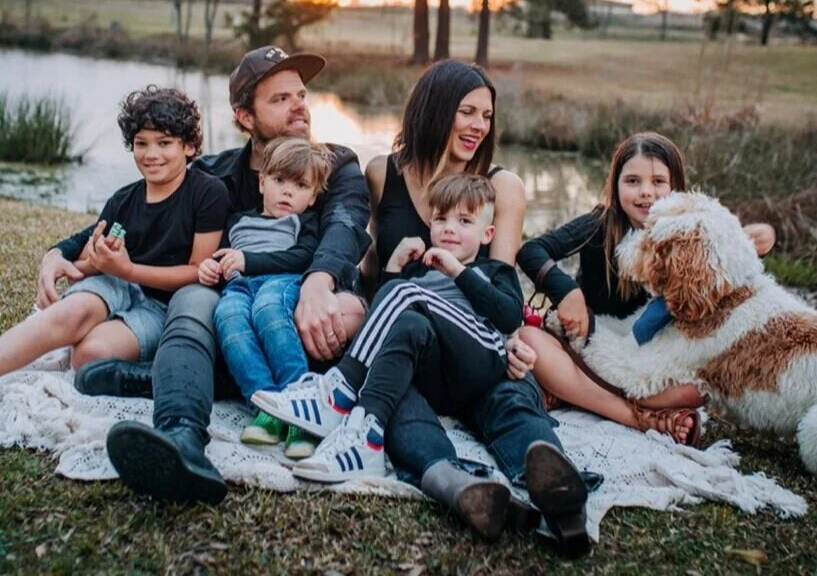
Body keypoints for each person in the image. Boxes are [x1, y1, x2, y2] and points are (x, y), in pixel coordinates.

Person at [45, 46, 371, 505]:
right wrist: (59, 252)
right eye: (280, 99)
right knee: (194, 298)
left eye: (300, 95)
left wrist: (319, 280)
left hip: (304, 294)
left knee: (330, 315)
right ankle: (181, 436)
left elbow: (345, 226)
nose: (299, 106)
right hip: (230, 300)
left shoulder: (336, 162)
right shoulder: (213, 173)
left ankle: (155, 379)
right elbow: (132, 212)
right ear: (244, 117)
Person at [357, 60, 591, 556]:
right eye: (467, 111)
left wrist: (514, 343)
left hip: (477, 343)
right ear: (435, 108)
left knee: (511, 396)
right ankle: (459, 487)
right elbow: (372, 271)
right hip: (415, 345)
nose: (479, 126)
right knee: (395, 392)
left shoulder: (501, 186)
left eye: (486, 115)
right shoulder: (381, 174)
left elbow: (502, 285)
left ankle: (559, 493)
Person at [253, 174, 523, 485]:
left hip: (483, 356)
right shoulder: (419, 271)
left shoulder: (493, 271)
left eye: (464, 221)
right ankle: (366, 437)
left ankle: (340, 392)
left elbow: (509, 317)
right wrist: (394, 267)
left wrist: (458, 271)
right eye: (441, 219)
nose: (450, 228)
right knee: (408, 321)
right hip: (440, 377)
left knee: (405, 294)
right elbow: (385, 321)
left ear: (488, 234)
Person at [516, 131, 777, 445]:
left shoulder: (689, 231)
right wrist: (568, 292)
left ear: (676, 186)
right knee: (530, 339)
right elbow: (532, 251)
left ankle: (579, 395)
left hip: (651, 360)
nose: (645, 192)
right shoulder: (599, 223)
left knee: (700, 386)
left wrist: (758, 236)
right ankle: (636, 416)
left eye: (658, 182)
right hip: (591, 346)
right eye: (632, 181)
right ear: (616, 185)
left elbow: (733, 254)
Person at [0, 86, 228, 378]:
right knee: (68, 314)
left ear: (189, 147)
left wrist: (127, 270)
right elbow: (87, 249)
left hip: (165, 306)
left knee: (89, 355)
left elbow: (198, 271)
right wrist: (66, 260)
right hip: (115, 286)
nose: (151, 154)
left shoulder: (207, 193)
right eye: (141, 143)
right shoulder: (123, 200)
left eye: (164, 142)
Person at [204, 137, 354, 457]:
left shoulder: (305, 222)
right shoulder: (238, 220)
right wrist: (210, 267)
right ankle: (267, 407)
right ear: (262, 182)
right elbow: (221, 256)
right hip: (239, 287)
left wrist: (249, 261)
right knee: (227, 317)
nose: (287, 192)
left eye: (300, 185)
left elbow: (301, 258)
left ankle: (300, 410)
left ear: (313, 197)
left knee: (268, 309)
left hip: (282, 282)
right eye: (279, 180)